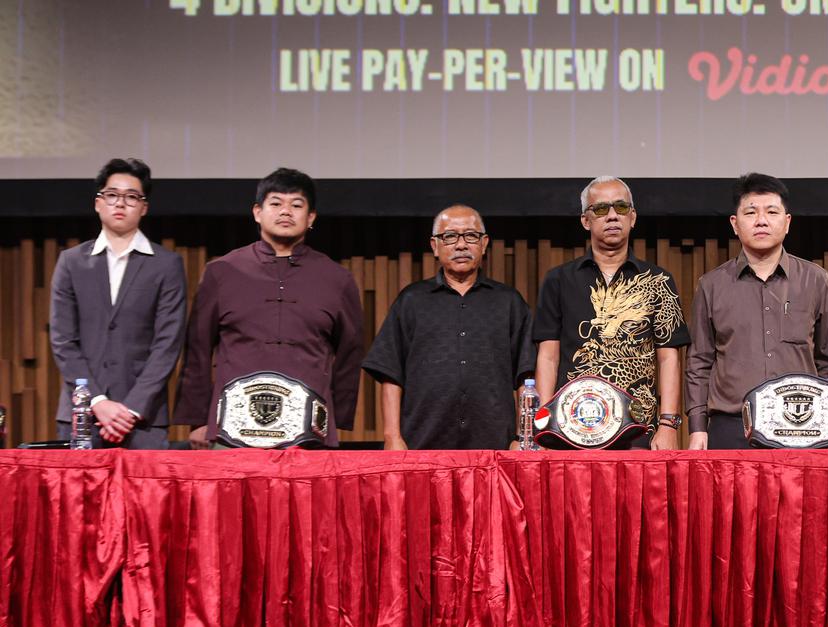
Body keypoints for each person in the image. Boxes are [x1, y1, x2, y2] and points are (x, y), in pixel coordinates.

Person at [173, 168, 364, 448]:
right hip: (231, 431)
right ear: (257, 212)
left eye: (296, 205)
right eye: (276, 203)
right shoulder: (221, 272)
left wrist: (334, 419)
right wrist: (199, 421)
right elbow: (198, 349)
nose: (286, 211)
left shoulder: (337, 279)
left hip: (308, 433)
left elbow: (350, 353)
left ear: (310, 217)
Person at [532, 176, 690, 450]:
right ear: (586, 221)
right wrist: (544, 428)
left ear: (633, 217)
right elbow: (548, 357)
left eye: (621, 208)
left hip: (639, 431)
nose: (613, 216)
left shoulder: (658, 280)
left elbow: (668, 359)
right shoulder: (558, 280)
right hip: (571, 429)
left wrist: (668, 425)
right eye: (602, 209)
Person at [362, 205, 535, 450]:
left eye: (470, 236)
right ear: (435, 246)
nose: (461, 245)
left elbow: (525, 375)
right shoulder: (411, 301)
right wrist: (392, 437)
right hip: (422, 442)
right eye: (450, 236)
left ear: (484, 244)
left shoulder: (509, 302)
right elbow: (390, 373)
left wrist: (521, 437)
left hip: (495, 443)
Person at [686, 172, 828, 450]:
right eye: (751, 212)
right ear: (735, 224)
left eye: (771, 211)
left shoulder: (816, 280)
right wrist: (697, 428)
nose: (761, 221)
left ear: (787, 222)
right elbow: (699, 362)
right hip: (731, 427)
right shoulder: (711, 285)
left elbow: (827, 359)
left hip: (801, 425)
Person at [49, 158, 187, 449]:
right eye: (111, 195)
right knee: (79, 496)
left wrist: (131, 409)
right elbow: (63, 341)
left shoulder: (167, 265)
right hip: (82, 414)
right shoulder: (71, 262)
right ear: (98, 203)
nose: (120, 203)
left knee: (145, 496)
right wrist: (97, 401)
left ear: (144, 207)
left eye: (131, 197)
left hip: (143, 419)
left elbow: (168, 344)